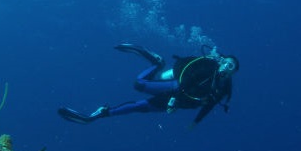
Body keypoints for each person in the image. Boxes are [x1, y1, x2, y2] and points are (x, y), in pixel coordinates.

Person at [58, 44, 238, 126]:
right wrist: (174, 98)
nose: (227, 68)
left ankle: (98, 115)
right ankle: (158, 63)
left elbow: (209, 105)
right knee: (138, 84)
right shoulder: (208, 68)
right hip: (175, 89)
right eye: (227, 63)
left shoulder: (224, 87)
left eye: (231, 68)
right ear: (222, 61)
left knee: (140, 107)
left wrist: (196, 122)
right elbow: (188, 80)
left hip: (180, 103)